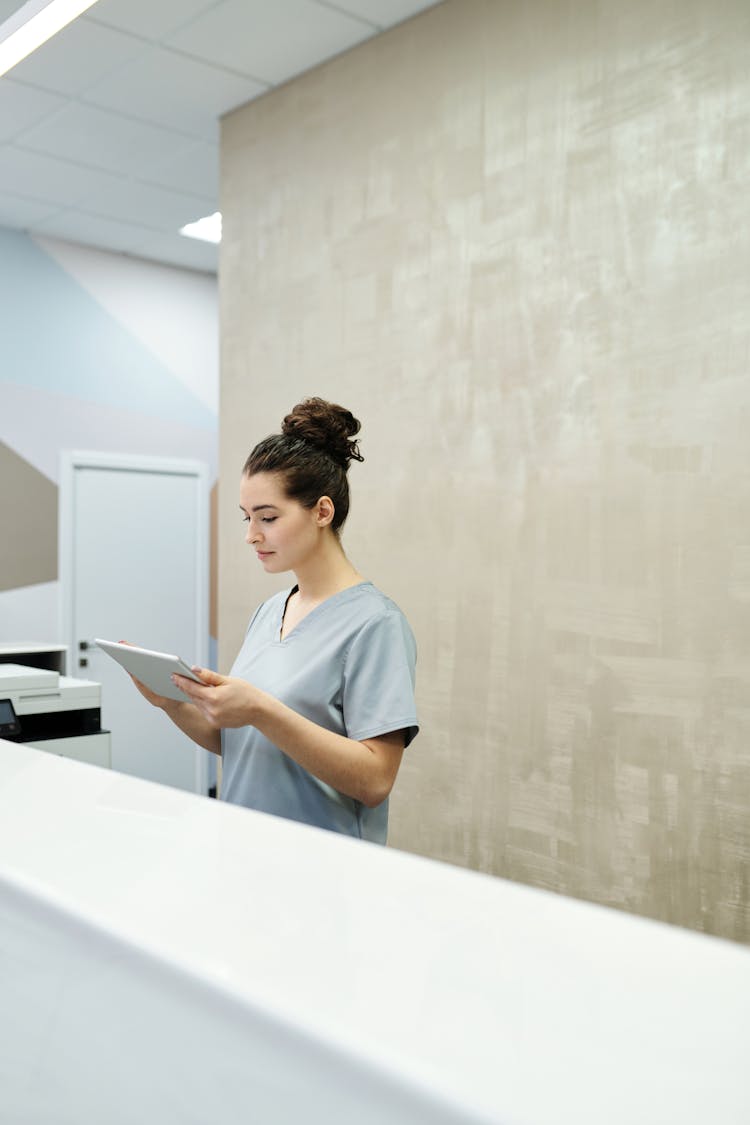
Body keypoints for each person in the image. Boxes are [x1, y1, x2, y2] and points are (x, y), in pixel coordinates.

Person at [132, 397, 418, 844]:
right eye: (248, 518)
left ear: (323, 512)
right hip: (245, 852)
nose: (252, 535)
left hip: (325, 871)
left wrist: (262, 709)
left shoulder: (375, 624)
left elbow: (376, 779)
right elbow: (239, 744)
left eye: (268, 517)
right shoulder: (270, 612)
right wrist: (172, 701)